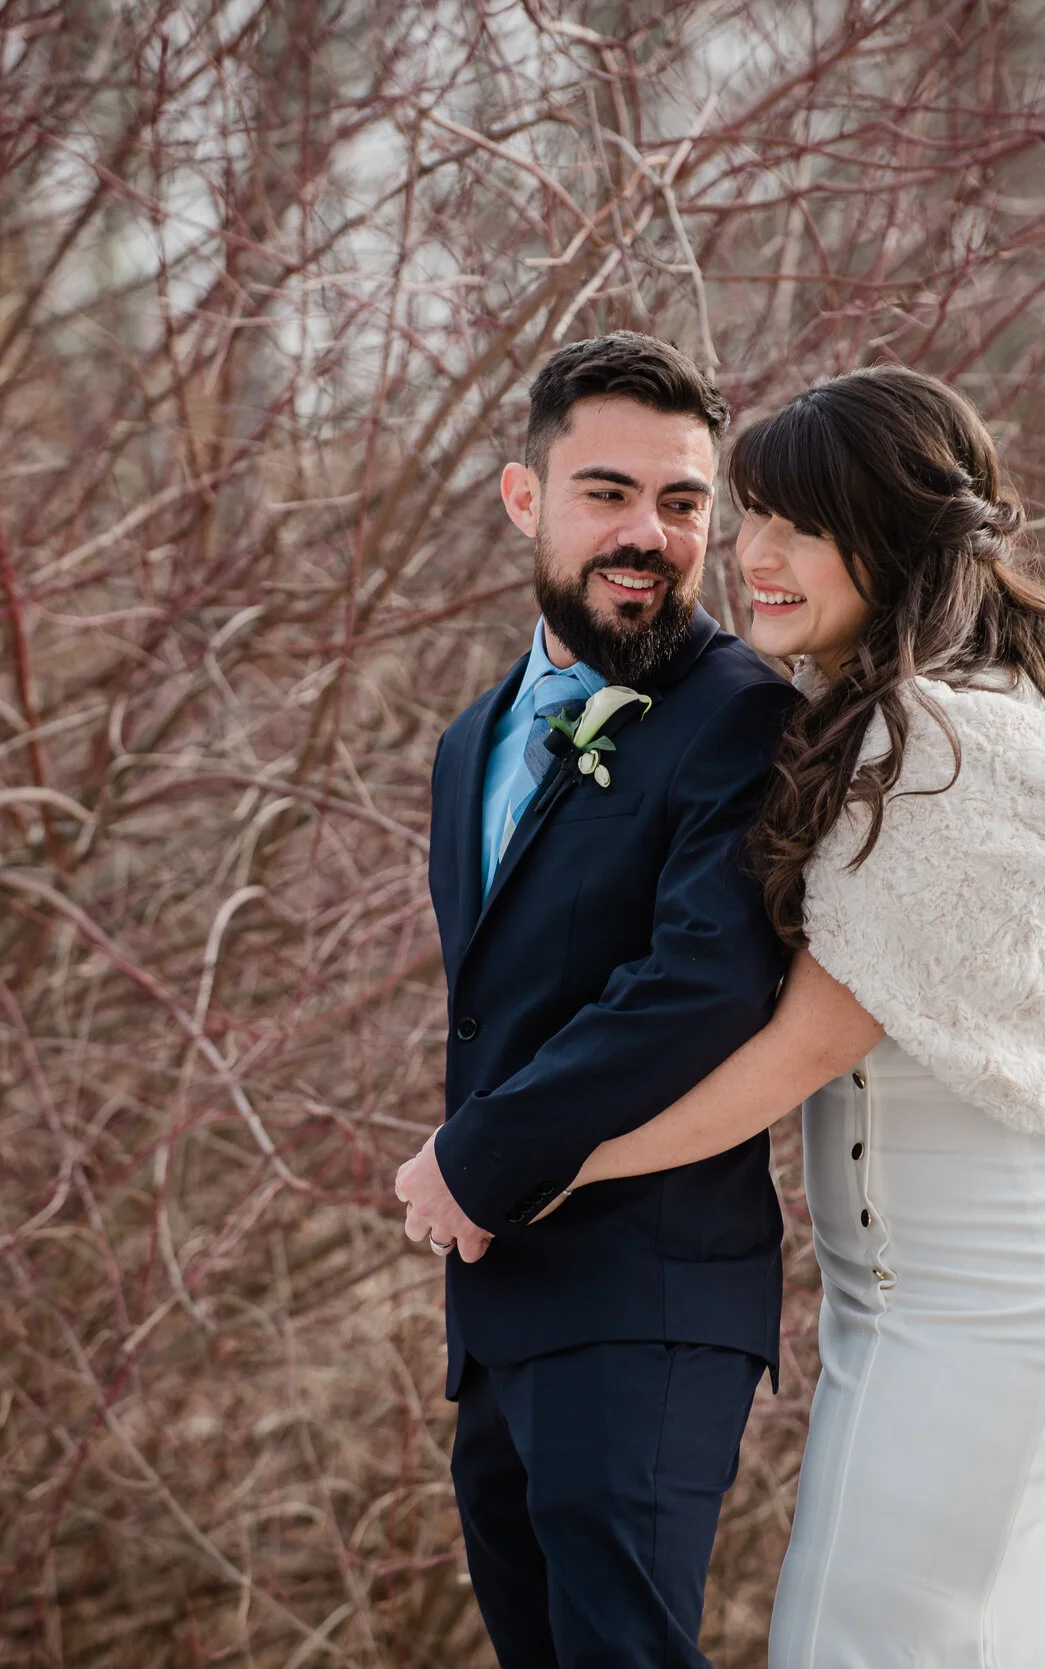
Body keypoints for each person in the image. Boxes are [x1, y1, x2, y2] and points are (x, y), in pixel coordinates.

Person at [529, 366, 1045, 1667]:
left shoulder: (928, 743)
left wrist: (564, 1162)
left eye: (806, 526)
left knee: (860, 1640)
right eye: (754, 516)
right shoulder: (1001, 712)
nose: (758, 556)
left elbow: (813, 1043)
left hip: (1001, 1291)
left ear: (892, 539)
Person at [391, 332, 798, 1668]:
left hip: (648, 1300)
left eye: (683, 504)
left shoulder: (740, 714)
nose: (650, 534)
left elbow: (704, 981)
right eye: (609, 493)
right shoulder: (471, 741)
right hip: (504, 1309)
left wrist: (478, 1156)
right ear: (526, 498)